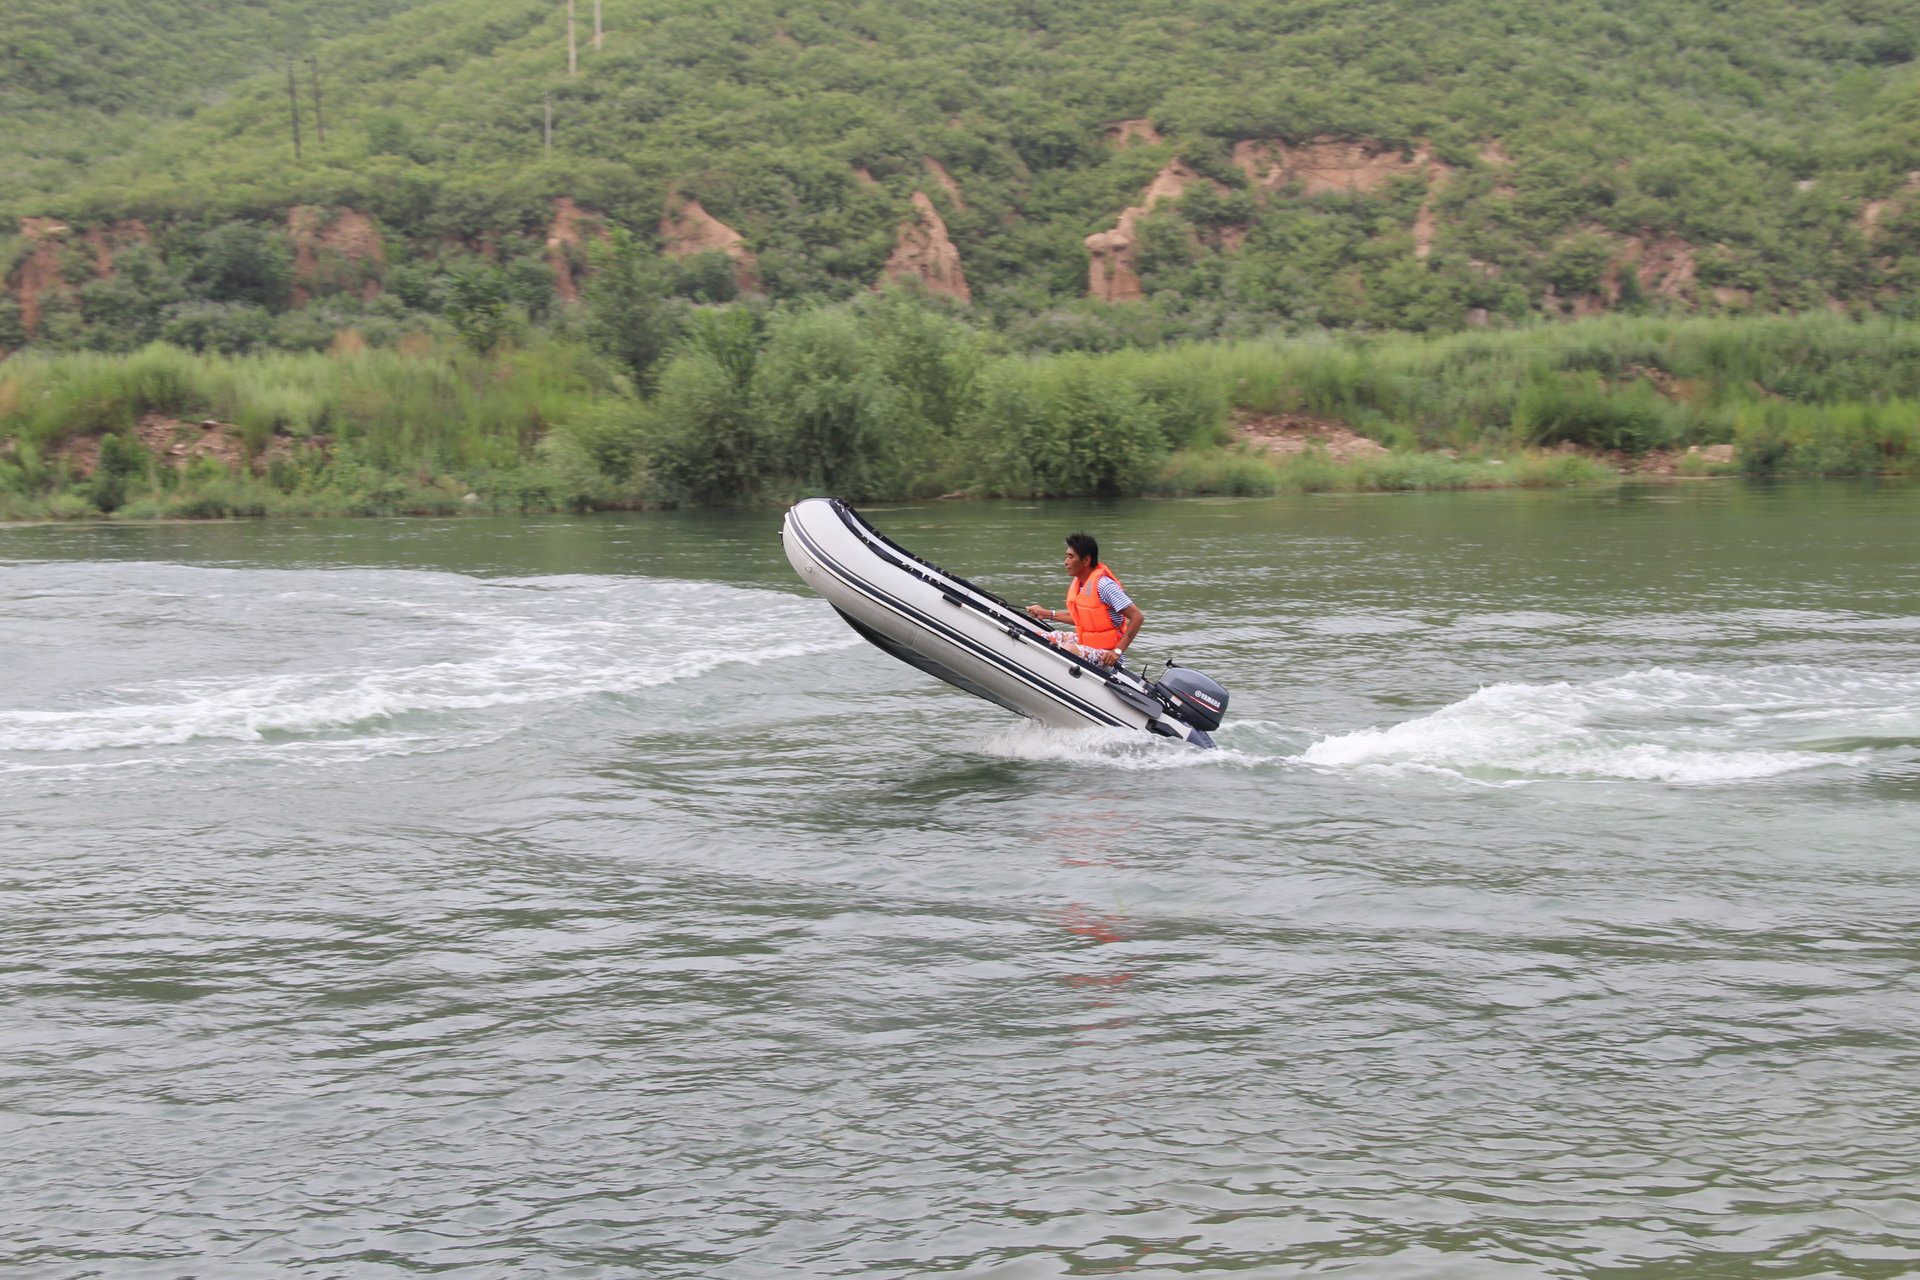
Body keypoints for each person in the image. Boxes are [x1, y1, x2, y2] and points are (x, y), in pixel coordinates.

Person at [1027, 532, 1142, 667]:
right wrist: (1046, 614)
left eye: (1071, 557)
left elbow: (1137, 617)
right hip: (1087, 643)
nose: (1066, 562)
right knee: (1039, 637)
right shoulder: (1080, 584)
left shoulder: (1104, 586)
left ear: (1086, 560)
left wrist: (1117, 652)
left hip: (1107, 654)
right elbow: (1082, 618)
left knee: (1067, 650)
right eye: (1066, 557)